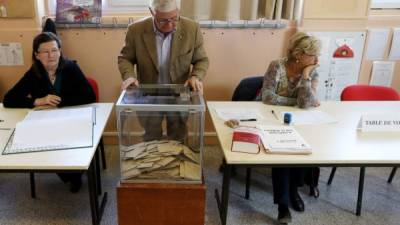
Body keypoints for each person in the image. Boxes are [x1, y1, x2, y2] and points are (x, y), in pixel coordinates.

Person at [3, 32, 96, 193]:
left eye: (54, 50)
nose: (51, 55)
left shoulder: (70, 68)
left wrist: (59, 102)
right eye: (45, 52)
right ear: (37, 55)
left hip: (71, 117)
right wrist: (36, 101)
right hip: (45, 121)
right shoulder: (33, 73)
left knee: (69, 139)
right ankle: (67, 172)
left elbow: (89, 95)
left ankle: (74, 174)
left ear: (60, 51)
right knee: (44, 139)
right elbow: (9, 99)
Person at [118, 0, 209, 142]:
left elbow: (201, 60)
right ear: (152, 12)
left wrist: (195, 76)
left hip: (179, 94)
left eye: (174, 18)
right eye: (162, 20)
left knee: (178, 135)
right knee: (151, 135)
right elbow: (125, 59)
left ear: (178, 12)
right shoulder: (135, 30)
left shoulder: (192, 29)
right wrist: (129, 76)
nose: (169, 24)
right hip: (149, 94)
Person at [259, 31, 321, 224]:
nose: (316, 59)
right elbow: (268, 97)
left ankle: (294, 190)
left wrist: (305, 76)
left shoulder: (312, 71)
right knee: (282, 153)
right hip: (269, 119)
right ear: (299, 54)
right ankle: (283, 205)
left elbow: (305, 104)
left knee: (303, 148)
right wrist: (294, 101)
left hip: (300, 121)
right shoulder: (276, 65)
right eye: (312, 54)